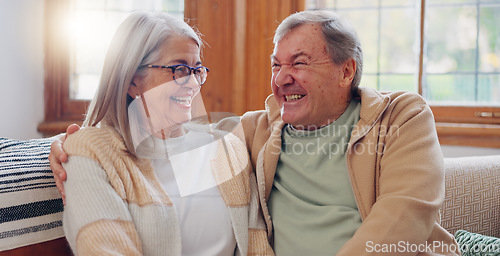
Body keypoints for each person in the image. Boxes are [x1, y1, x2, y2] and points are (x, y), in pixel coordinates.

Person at [51, 10, 460, 255]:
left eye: (298, 63)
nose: (281, 78)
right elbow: (137, 144)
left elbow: (404, 216)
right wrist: (66, 146)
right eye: (275, 64)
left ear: (346, 70)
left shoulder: (400, 116)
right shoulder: (256, 130)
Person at [53, 11, 273, 256]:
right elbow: (103, 249)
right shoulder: (91, 152)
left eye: (197, 70)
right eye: (179, 70)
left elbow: (257, 247)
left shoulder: (227, 148)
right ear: (132, 81)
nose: (192, 83)